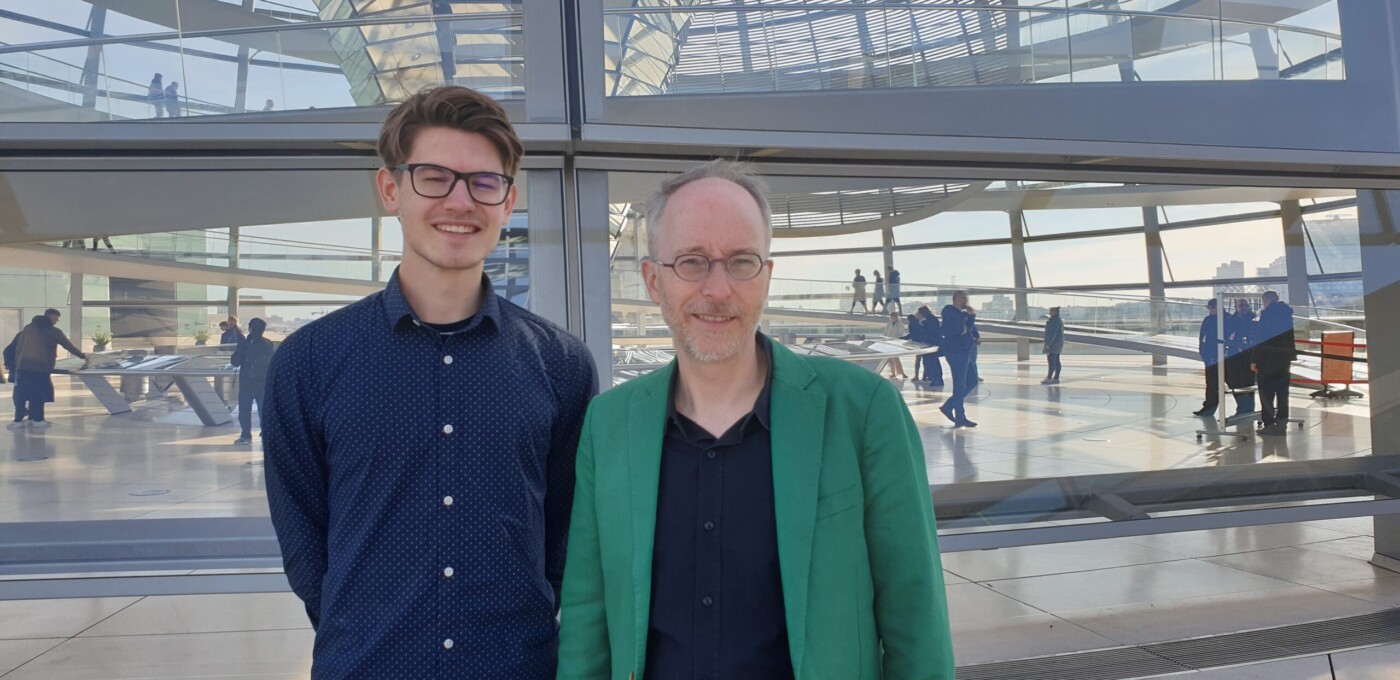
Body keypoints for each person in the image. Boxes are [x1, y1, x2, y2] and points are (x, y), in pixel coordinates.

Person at [556, 160, 954, 680]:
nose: (718, 290)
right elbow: (588, 616)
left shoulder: (863, 412)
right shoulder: (608, 425)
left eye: (741, 261)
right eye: (692, 262)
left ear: (767, 275)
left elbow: (914, 616)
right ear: (654, 281)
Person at [263, 86, 597, 679]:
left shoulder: (562, 364)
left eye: (482, 182)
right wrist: (364, 627)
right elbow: (305, 541)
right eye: (434, 177)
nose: (460, 200)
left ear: (508, 199)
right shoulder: (308, 361)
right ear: (390, 190)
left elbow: (563, 542)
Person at [6, 309, 86, 430]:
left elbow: (19, 347)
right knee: (38, 394)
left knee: (21, 394)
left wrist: (18, 364)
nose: (56, 322)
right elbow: (68, 346)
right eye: (55, 319)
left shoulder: (28, 328)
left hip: (23, 367)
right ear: (50, 317)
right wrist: (83, 356)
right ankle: (37, 419)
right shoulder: (54, 331)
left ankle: (18, 421)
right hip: (41, 368)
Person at [1252, 290, 1296, 436]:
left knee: (1266, 393)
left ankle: (1269, 423)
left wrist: (1255, 359)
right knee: (1283, 393)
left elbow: (1261, 339)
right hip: (1284, 359)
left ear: (1266, 301)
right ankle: (1282, 421)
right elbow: (1290, 337)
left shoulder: (1267, 315)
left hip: (1267, 359)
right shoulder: (1286, 314)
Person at [230, 318, 274, 445]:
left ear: (250, 328)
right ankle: (265, 434)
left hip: (247, 383)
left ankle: (246, 436)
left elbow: (235, 362)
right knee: (263, 411)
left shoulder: (244, 344)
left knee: (244, 410)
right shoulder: (268, 344)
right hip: (263, 383)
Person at [939, 291, 976, 428]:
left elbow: (970, 328)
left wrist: (971, 316)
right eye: (963, 298)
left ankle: (949, 406)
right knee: (960, 385)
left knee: (972, 381)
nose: (965, 300)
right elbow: (945, 330)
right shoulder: (949, 311)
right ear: (956, 299)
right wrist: (961, 329)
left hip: (966, 351)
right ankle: (960, 417)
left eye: (966, 298)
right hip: (956, 352)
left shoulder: (964, 313)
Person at [1224, 298, 1257, 416]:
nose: (1243, 308)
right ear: (1236, 307)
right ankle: (1242, 406)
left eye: (1245, 305)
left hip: (1248, 355)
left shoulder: (1254, 319)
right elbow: (1226, 336)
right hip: (1233, 355)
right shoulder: (1230, 320)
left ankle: (1248, 408)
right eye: (1240, 306)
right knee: (1232, 380)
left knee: (1247, 382)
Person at [1194, 299, 1220, 417]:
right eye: (1209, 308)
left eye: (1213, 307)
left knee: (1231, 383)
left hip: (1224, 356)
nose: (1211, 310)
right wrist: (1203, 352)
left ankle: (1242, 410)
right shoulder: (1208, 320)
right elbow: (1202, 336)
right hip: (1210, 356)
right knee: (1211, 383)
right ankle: (1209, 408)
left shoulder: (1227, 319)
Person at [916, 304, 944, 387]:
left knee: (932, 363)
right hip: (932, 344)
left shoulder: (929, 320)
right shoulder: (931, 319)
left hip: (932, 344)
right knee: (932, 362)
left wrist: (922, 324)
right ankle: (934, 378)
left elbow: (929, 332)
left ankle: (936, 379)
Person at [883, 311, 908, 378]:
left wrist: (897, 340)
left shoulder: (900, 324)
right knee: (891, 359)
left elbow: (901, 333)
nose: (892, 318)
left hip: (896, 343)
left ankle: (901, 373)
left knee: (896, 358)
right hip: (888, 342)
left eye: (893, 316)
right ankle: (893, 373)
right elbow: (885, 332)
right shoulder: (889, 323)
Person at [1042, 306, 1064, 384]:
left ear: (1055, 312)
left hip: (1053, 344)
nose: (1049, 313)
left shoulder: (1054, 321)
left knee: (1051, 360)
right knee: (1056, 360)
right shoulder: (1058, 320)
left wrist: (1048, 343)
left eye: (1050, 311)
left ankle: (1049, 378)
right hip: (1058, 343)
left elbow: (1052, 334)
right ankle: (1056, 378)